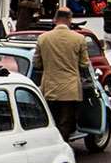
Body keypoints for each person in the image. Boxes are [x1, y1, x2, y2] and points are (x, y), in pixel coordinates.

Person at [35, 8, 89, 140]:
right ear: (69, 20)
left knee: (51, 121)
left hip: (49, 88)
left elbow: (36, 63)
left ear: (55, 19)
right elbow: (84, 64)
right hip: (70, 90)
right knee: (65, 123)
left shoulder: (43, 38)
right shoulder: (79, 38)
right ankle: (63, 149)